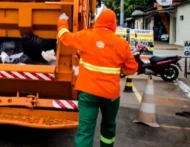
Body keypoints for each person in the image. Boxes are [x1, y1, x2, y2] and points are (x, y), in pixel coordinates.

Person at [57, 9, 138, 147]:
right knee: (108, 127)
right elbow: (132, 68)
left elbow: (64, 37)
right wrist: (119, 69)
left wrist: (62, 20)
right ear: (114, 24)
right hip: (110, 95)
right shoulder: (121, 44)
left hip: (88, 93)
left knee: (85, 131)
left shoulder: (86, 36)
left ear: (98, 20)